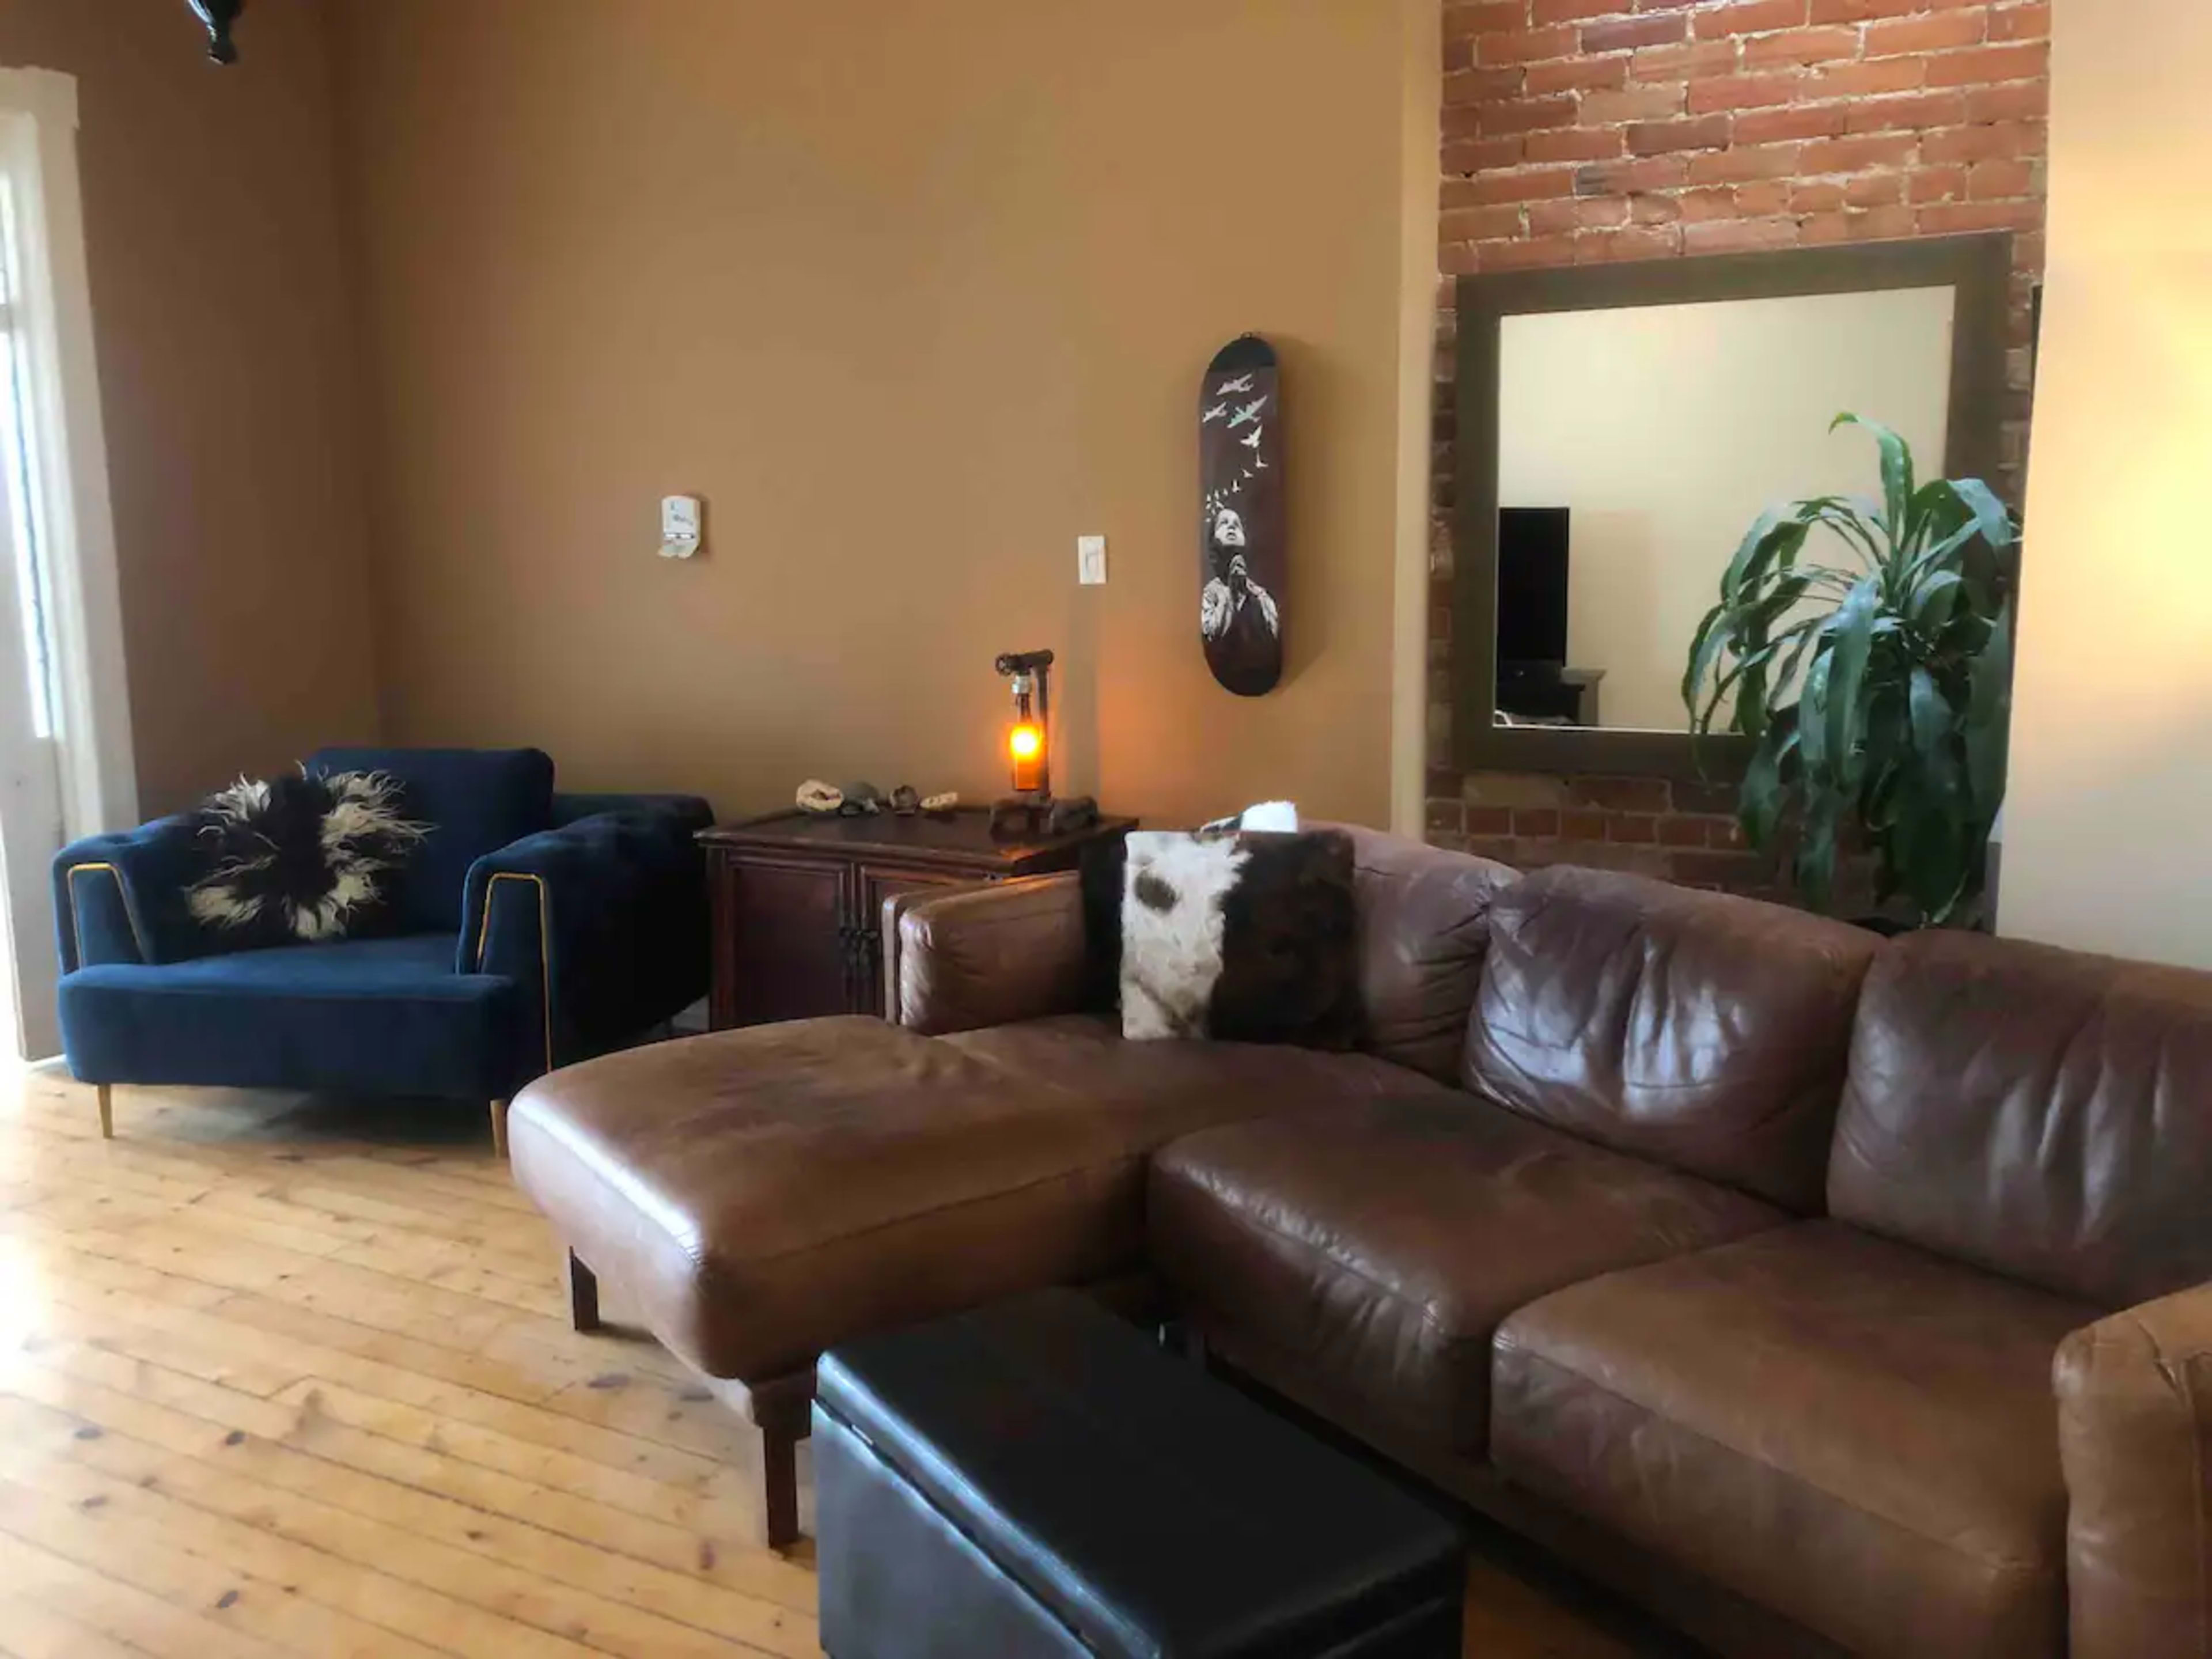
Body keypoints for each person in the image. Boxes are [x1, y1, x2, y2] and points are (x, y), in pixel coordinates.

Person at [1200, 508, 1279, 651]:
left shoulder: (1262, 596)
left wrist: (1250, 598)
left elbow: (1273, 639)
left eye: (1237, 524)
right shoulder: (1210, 594)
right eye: (1223, 523)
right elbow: (1210, 640)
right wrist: (1231, 595)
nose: (1231, 526)